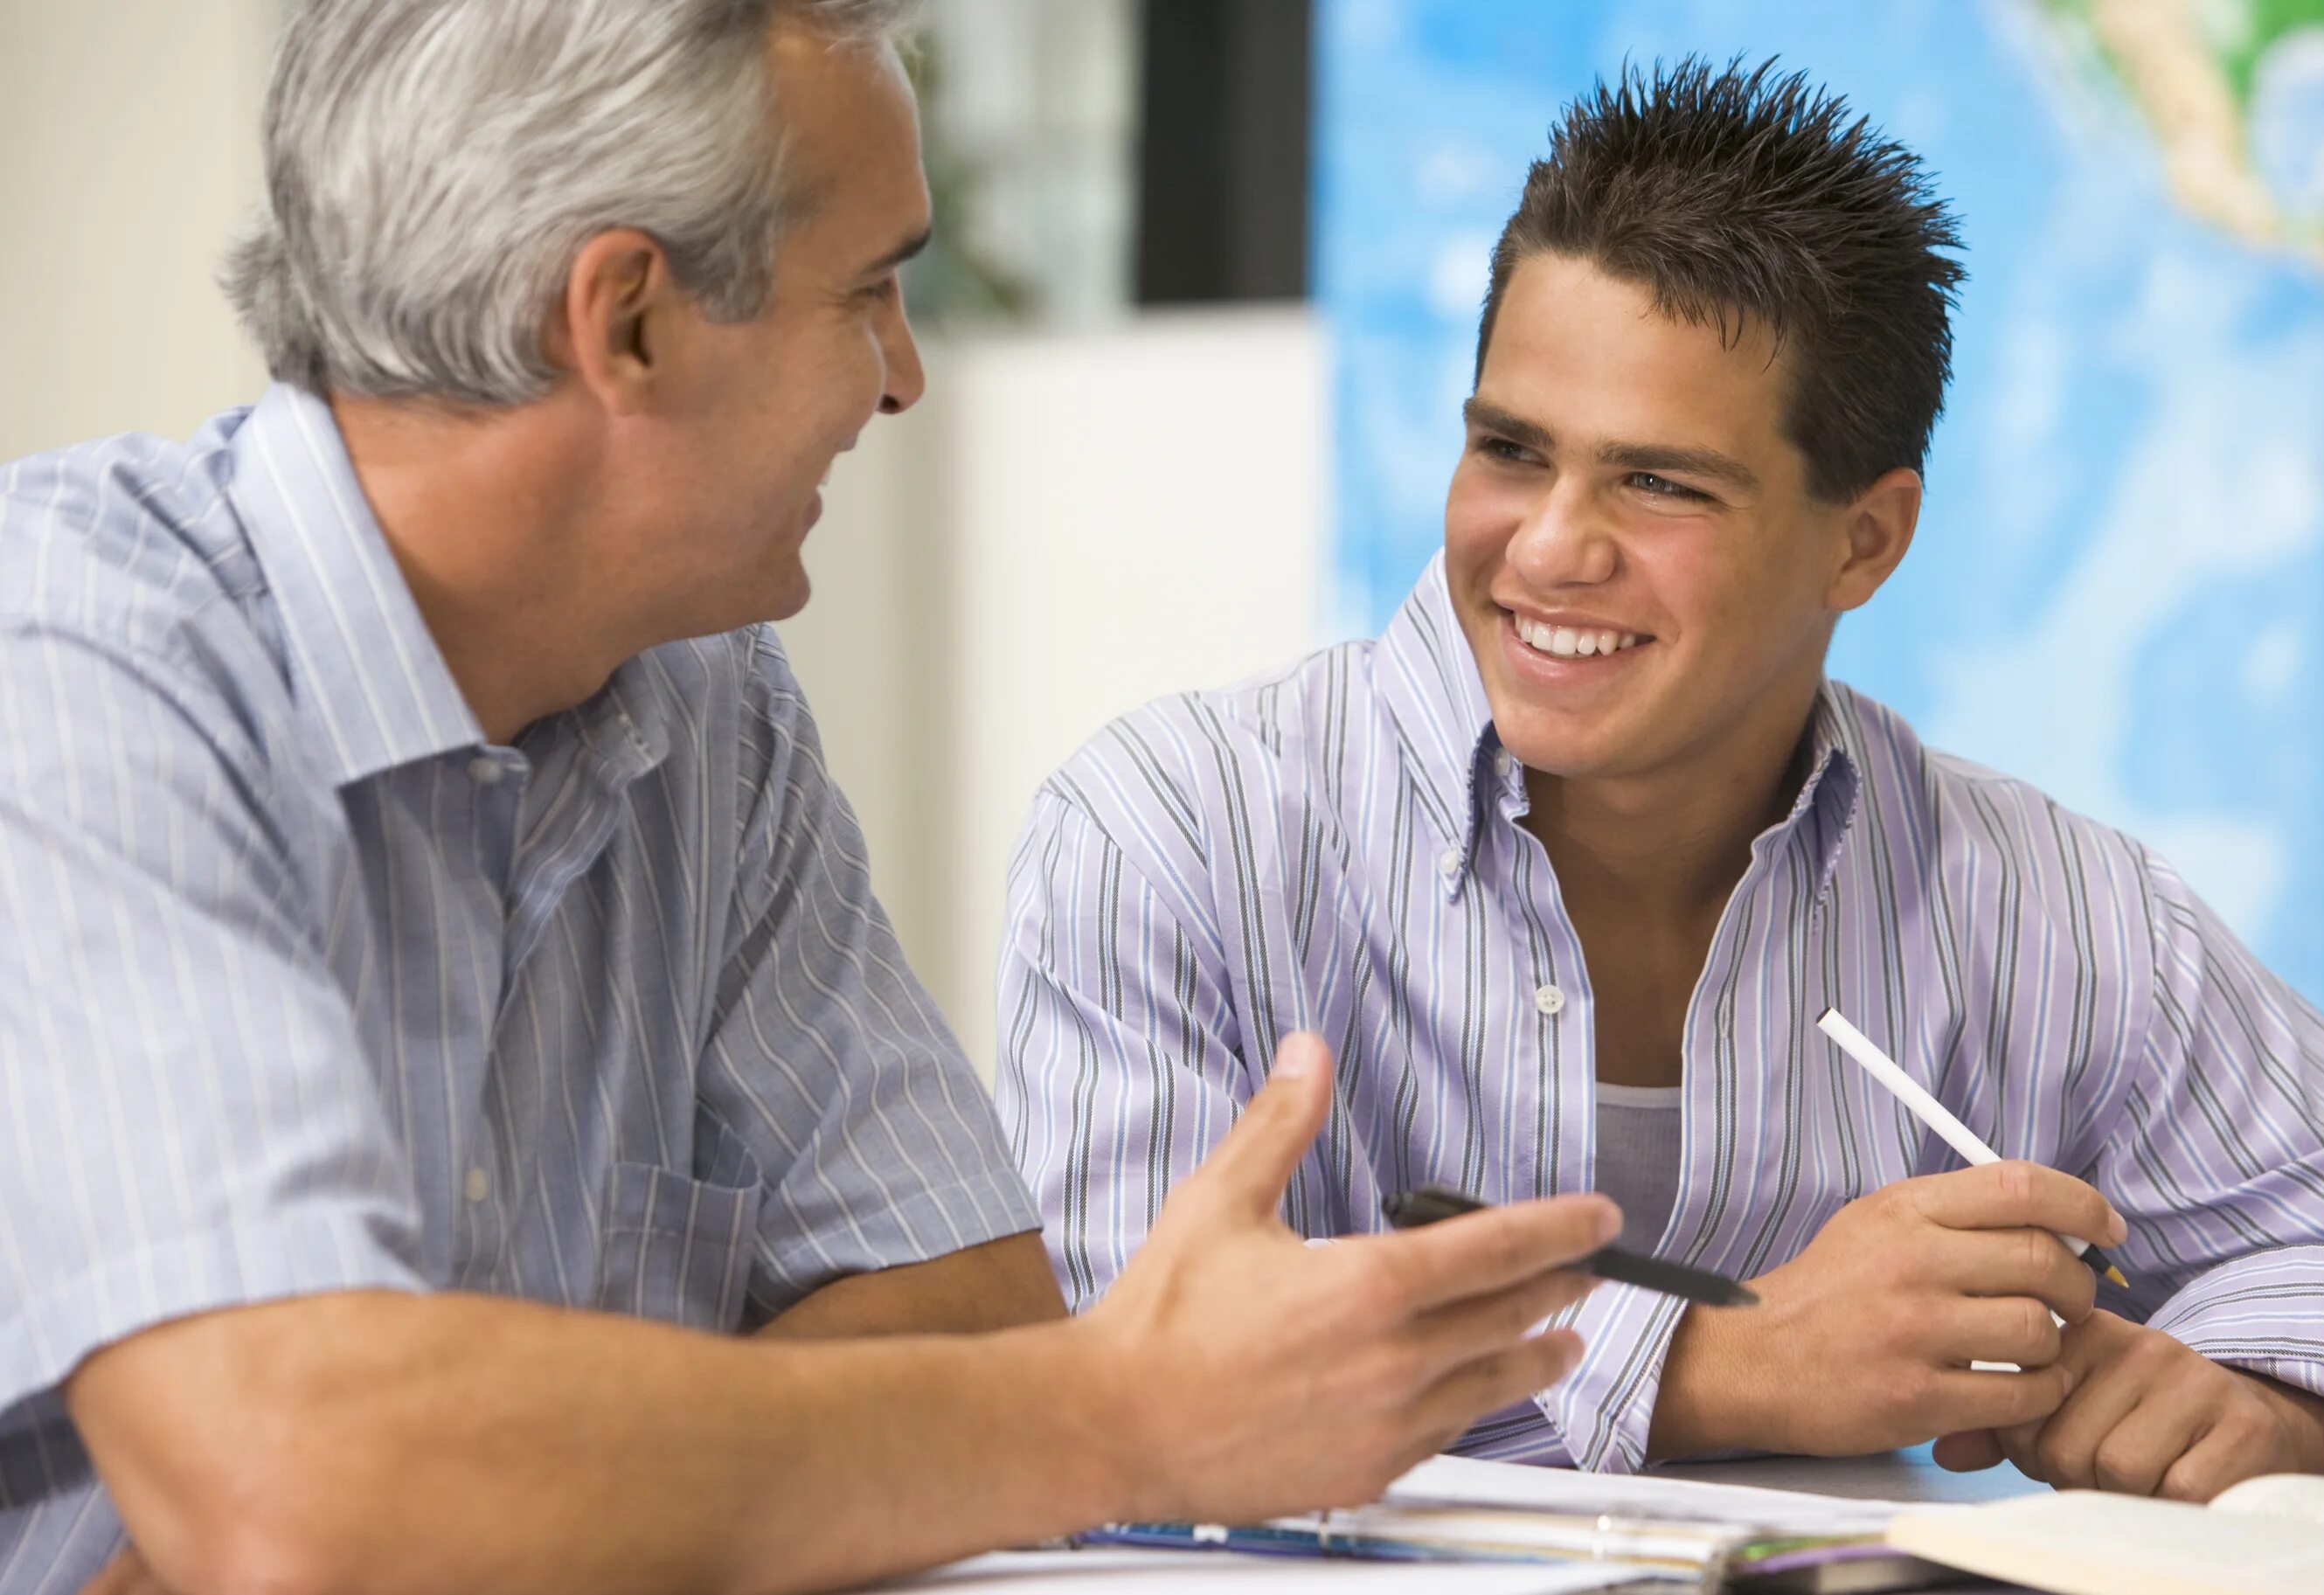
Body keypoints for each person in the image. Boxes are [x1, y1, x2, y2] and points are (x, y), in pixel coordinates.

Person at [0, 3, 1627, 1592]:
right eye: (868, 292)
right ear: (625, 320)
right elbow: (308, 1504)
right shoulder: (74, 662)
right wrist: (1123, 1412)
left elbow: (964, 1295)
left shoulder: (705, 704)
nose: (904, 376)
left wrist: (477, 1480)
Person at [997, 58, 2324, 1499]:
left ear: (1863, 542)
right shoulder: (1163, 832)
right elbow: (1116, 1382)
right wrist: (1721, 1361)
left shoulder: (2047, 905)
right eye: (1508, 450)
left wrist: (2268, 1406)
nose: (1546, 547)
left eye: (1658, 483)